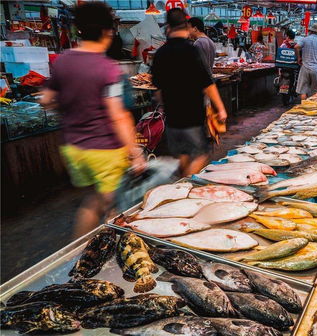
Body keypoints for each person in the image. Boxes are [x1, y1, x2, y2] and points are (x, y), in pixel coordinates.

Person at [40, 2, 145, 238]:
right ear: (108, 32)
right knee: (115, 209)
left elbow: (46, 99)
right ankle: (102, 257)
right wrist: (135, 153)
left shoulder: (63, 60)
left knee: (93, 200)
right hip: (104, 151)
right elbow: (118, 115)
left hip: (74, 149)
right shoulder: (107, 68)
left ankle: (79, 252)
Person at [151, 8, 227, 177]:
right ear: (185, 26)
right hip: (192, 115)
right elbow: (207, 83)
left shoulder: (160, 53)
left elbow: (157, 91)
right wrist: (220, 108)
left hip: (171, 117)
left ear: (168, 28)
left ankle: (182, 182)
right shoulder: (191, 50)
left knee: (182, 155)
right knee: (202, 154)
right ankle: (184, 183)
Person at [295, 23, 317, 99]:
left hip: (305, 67)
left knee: (303, 91)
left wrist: (299, 58)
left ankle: (304, 107)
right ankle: (314, 108)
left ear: (310, 31)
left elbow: (296, 47)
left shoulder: (304, 39)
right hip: (316, 69)